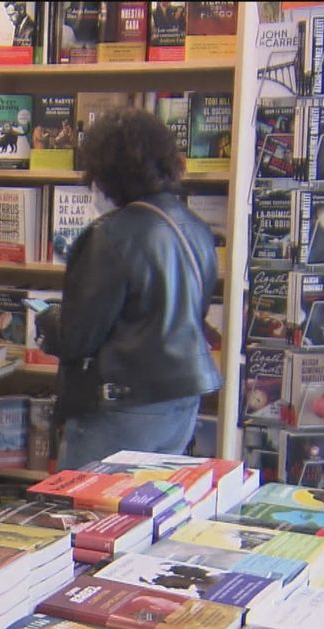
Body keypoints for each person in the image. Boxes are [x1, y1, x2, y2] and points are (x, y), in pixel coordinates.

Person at [35, 108, 221, 470]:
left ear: (104, 170)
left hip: (122, 406)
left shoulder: (109, 235)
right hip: (184, 397)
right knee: (152, 500)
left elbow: (77, 338)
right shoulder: (195, 227)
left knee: (89, 502)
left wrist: (48, 322)